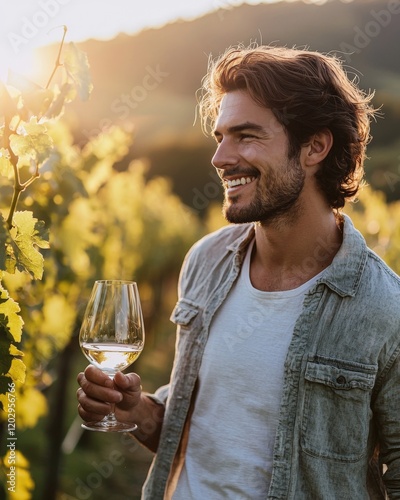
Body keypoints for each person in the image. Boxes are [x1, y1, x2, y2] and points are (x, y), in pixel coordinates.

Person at [77, 45, 400, 499]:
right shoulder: (205, 261)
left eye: (245, 135)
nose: (221, 157)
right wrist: (139, 413)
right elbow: (198, 425)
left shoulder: (385, 307)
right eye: (219, 137)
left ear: (315, 146)